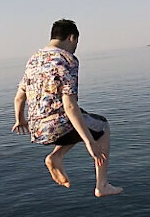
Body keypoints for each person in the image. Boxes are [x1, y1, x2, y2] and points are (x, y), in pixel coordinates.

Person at [13, 19, 122, 197]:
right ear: (71, 38)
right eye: (76, 42)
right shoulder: (67, 59)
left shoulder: (33, 59)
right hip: (58, 126)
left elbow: (19, 97)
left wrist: (20, 120)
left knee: (81, 118)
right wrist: (90, 142)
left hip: (37, 130)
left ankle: (56, 156)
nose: (75, 47)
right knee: (102, 126)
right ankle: (102, 185)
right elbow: (70, 105)